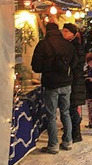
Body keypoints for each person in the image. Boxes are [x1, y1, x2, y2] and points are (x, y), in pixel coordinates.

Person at [31, 22, 76, 154]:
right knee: (65, 112)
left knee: (51, 115)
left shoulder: (43, 44)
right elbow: (75, 63)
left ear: (46, 31)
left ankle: (53, 145)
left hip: (51, 84)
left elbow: (36, 67)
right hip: (66, 83)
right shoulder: (68, 45)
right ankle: (68, 141)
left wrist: (49, 66)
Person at [62, 23, 86, 143]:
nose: (63, 33)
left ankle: (76, 132)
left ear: (73, 34)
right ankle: (73, 131)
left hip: (75, 81)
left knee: (72, 107)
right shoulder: (69, 45)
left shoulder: (76, 46)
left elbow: (77, 64)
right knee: (71, 107)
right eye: (63, 31)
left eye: (66, 31)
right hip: (73, 80)